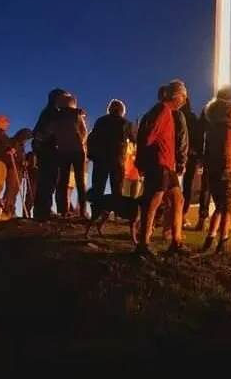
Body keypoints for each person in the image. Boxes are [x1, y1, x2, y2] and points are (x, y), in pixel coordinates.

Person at [134, 81, 188, 255]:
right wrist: (145, 160)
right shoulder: (162, 110)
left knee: (178, 199)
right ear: (176, 96)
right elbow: (147, 136)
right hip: (159, 163)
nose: (184, 100)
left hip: (167, 164)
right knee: (153, 201)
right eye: (183, 96)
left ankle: (176, 242)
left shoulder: (167, 112)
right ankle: (143, 244)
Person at [200, 87, 231, 253]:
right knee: (227, 208)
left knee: (219, 206)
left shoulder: (211, 126)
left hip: (213, 170)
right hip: (227, 170)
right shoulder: (230, 127)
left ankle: (210, 238)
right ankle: (223, 240)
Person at [45, 95, 88, 218]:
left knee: (63, 181)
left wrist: (58, 141)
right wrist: (79, 142)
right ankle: (82, 211)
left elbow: (48, 132)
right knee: (80, 182)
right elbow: (84, 132)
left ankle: (63, 210)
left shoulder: (56, 117)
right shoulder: (76, 115)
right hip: (77, 151)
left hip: (63, 150)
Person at [87, 99, 135, 209]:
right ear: (122, 111)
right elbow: (134, 139)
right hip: (117, 159)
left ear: (109, 109)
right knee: (117, 188)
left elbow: (92, 138)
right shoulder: (125, 123)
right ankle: (117, 211)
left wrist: (91, 154)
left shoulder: (100, 121)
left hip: (100, 159)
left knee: (98, 187)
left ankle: (96, 211)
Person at [31, 88, 67, 220]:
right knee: (48, 180)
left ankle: (43, 209)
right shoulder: (52, 113)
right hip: (48, 151)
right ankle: (43, 211)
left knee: (48, 181)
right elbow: (42, 132)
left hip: (47, 150)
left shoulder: (48, 112)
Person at [179, 98, 204, 224]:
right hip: (191, 155)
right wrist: (196, 150)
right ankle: (183, 214)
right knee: (187, 186)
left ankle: (170, 213)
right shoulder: (192, 117)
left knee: (172, 185)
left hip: (178, 155)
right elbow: (199, 136)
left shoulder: (175, 115)